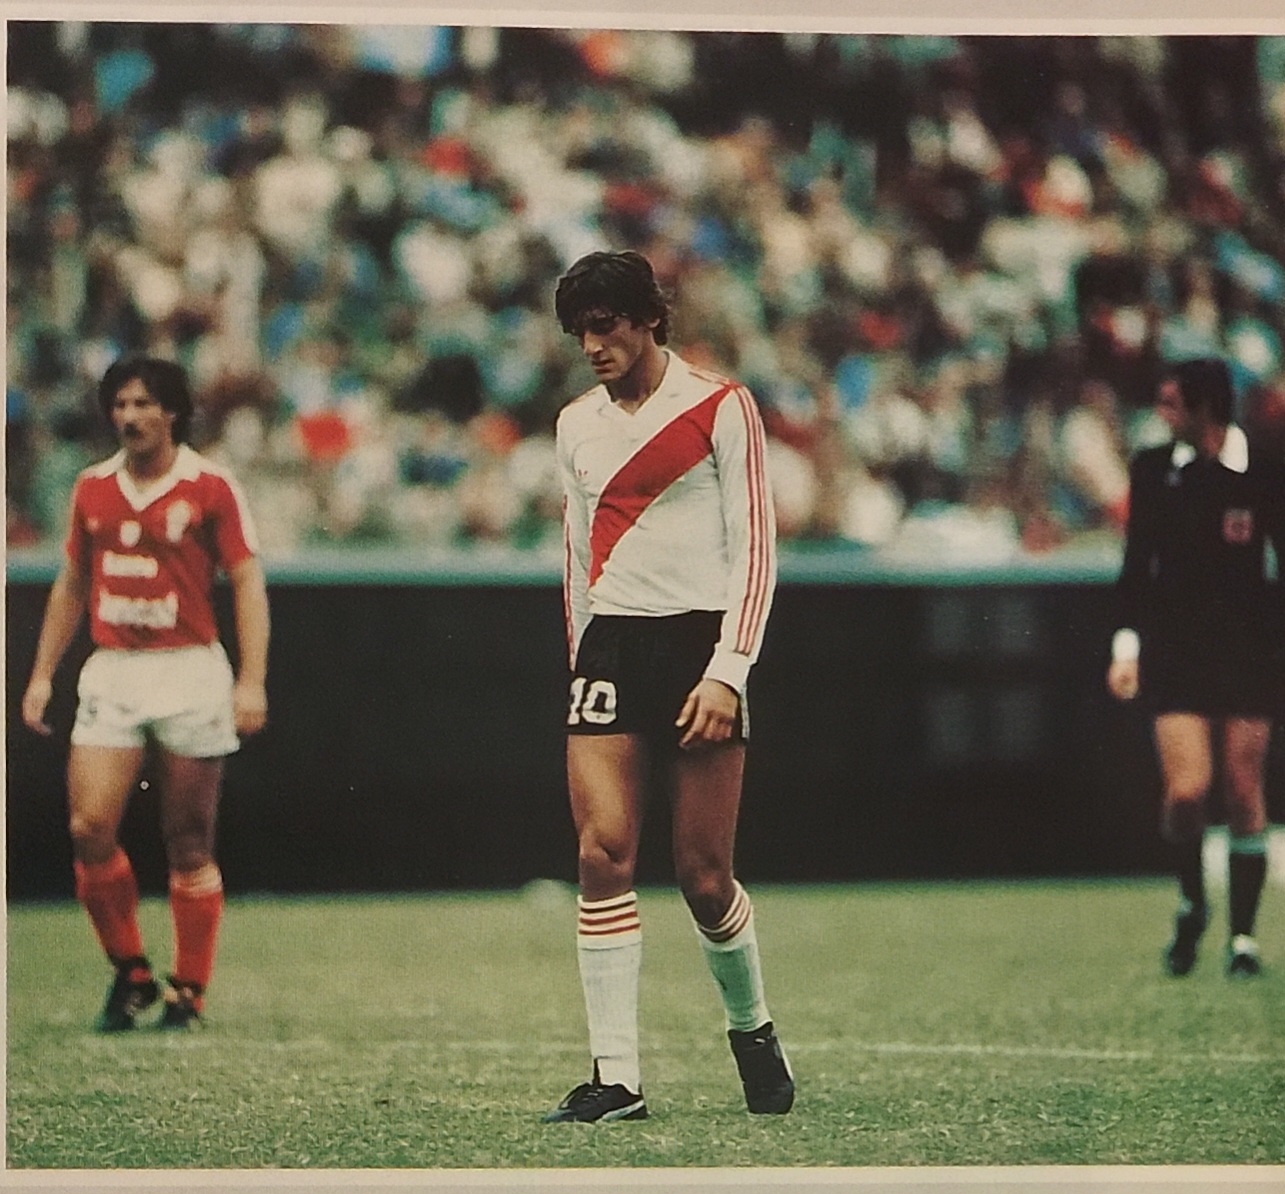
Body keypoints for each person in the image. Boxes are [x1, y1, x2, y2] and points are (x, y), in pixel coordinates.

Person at [543, 250, 793, 1123]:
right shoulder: (575, 424)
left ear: (647, 317)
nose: (591, 345)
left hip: (699, 648)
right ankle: (617, 1077)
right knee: (599, 851)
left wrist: (729, 671)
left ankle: (751, 1029)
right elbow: (576, 556)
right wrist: (582, 657)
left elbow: (756, 546)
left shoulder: (721, 406)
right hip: (611, 650)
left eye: (605, 325)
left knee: (702, 875)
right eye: (579, 331)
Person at [21, 355, 270, 1030]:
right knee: (89, 827)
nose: (129, 417)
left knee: (188, 840)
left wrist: (251, 681)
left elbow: (246, 581)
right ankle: (130, 972)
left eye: (143, 404)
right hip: (115, 670)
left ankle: (188, 989)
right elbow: (72, 582)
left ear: (173, 413)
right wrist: (44, 673)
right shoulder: (93, 487)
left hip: (189, 670)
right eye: (120, 405)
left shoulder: (211, 486)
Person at [1107, 356, 1284, 979]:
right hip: (1175, 649)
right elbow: (1136, 567)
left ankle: (1243, 938)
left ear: (1205, 407)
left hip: (1248, 650)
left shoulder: (1262, 468)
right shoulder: (1154, 470)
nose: (1162, 414)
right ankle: (1192, 900)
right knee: (1186, 792)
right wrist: (1125, 648)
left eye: (1172, 402)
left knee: (1242, 791)